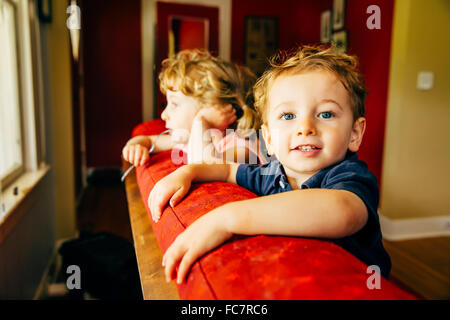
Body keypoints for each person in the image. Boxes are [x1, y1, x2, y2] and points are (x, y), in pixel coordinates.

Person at [148, 45, 392, 285]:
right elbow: (227, 169)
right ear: (269, 139)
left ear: (355, 134)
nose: (305, 127)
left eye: (326, 114)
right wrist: (188, 171)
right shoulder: (270, 172)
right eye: (288, 116)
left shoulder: (350, 176)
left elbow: (342, 210)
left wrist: (225, 219)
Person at [122, 49, 266, 167]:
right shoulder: (187, 137)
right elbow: (149, 141)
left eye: (175, 104)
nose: (164, 115)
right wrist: (135, 146)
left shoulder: (243, 147)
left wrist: (201, 121)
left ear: (214, 108)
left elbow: (203, 166)